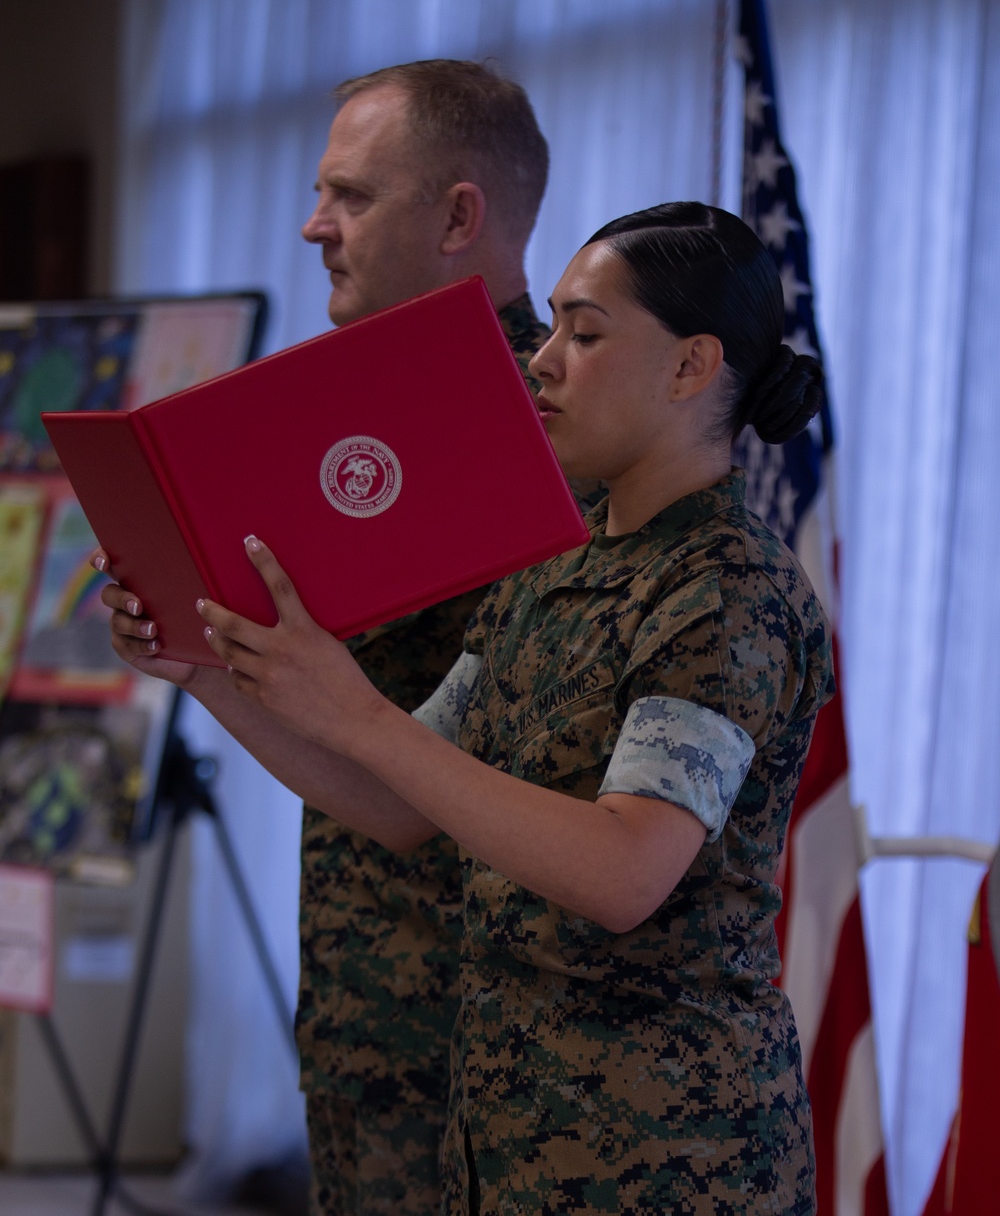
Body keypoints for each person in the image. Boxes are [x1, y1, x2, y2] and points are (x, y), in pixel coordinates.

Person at [100, 201, 834, 1214]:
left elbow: (625, 869)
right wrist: (207, 670)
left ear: (689, 367)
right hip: (509, 1133)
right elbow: (403, 800)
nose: (543, 362)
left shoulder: (725, 590)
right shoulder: (551, 562)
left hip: (666, 1158)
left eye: (585, 334)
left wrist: (361, 713)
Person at [97, 59, 577, 1216]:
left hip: (488, 1033)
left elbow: (451, 772)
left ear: (460, 215)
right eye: (322, 193)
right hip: (364, 996)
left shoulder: (551, 429)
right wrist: (191, 658)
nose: (314, 225)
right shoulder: (358, 408)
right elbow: (352, 729)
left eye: (351, 196)